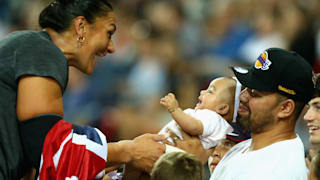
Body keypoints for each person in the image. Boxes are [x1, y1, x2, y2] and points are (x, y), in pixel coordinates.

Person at [0, 0, 166, 179]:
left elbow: (38, 166)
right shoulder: (41, 48)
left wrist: (101, 163)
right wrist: (128, 151)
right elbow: (48, 148)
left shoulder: (33, 48)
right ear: (81, 27)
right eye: (109, 33)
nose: (111, 48)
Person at [210, 48, 314, 179]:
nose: (242, 96)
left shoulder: (278, 171)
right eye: (245, 88)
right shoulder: (248, 146)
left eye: (254, 93)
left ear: (285, 108)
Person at [159, 77, 242, 152]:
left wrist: (174, 109)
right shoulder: (207, 116)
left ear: (222, 108)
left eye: (210, 91)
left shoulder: (214, 118)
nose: (202, 91)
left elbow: (194, 127)